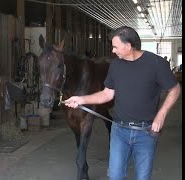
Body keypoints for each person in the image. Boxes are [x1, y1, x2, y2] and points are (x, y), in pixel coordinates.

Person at [63, 26, 181, 180]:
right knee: (115, 176)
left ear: (128, 45)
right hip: (120, 131)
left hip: (146, 132)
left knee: (143, 177)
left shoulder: (156, 64)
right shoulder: (116, 66)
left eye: (115, 46)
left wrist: (161, 115)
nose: (112, 51)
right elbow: (107, 94)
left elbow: (175, 89)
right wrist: (81, 99)